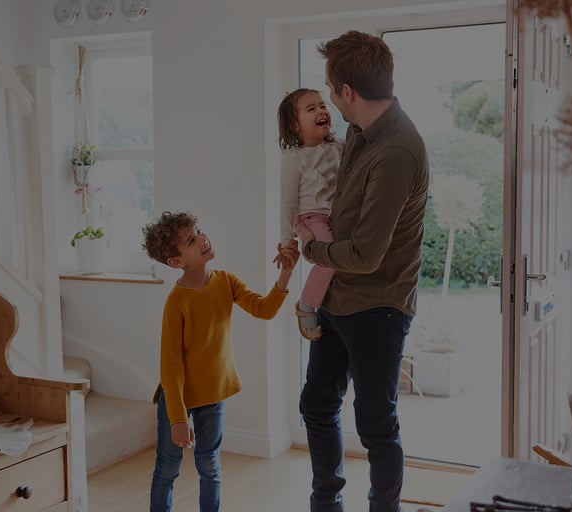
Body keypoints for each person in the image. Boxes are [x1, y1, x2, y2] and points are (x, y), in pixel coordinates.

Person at [295, 31, 430, 512]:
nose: (330, 99)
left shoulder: (396, 151)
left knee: (375, 425)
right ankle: (326, 505)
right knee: (316, 405)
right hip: (337, 299)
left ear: (347, 91)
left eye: (331, 89)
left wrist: (311, 249)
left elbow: (367, 255)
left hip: (377, 306)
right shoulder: (357, 132)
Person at [142, 211, 300, 512]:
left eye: (198, 231)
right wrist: (177, 418)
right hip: (177, 398)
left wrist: (286, 274)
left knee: (209, 466)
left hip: (212, 394)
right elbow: (171, 365)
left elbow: (264, 309)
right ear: (176, 262)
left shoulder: (226, 282)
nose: (202, 238)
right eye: (191, 240)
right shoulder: (177, 302)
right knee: (167, 469)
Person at [276, 88, 344, 341]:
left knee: (335, 255)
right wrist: (286, 241)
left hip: (332, 214)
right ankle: (306, 304)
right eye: (311, 109)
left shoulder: (337, 145)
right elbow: (287, 202)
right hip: (309, 216)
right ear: (295, 125)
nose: (321, 111)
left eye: (322, 105)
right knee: (329, 255)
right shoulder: (294, 158)